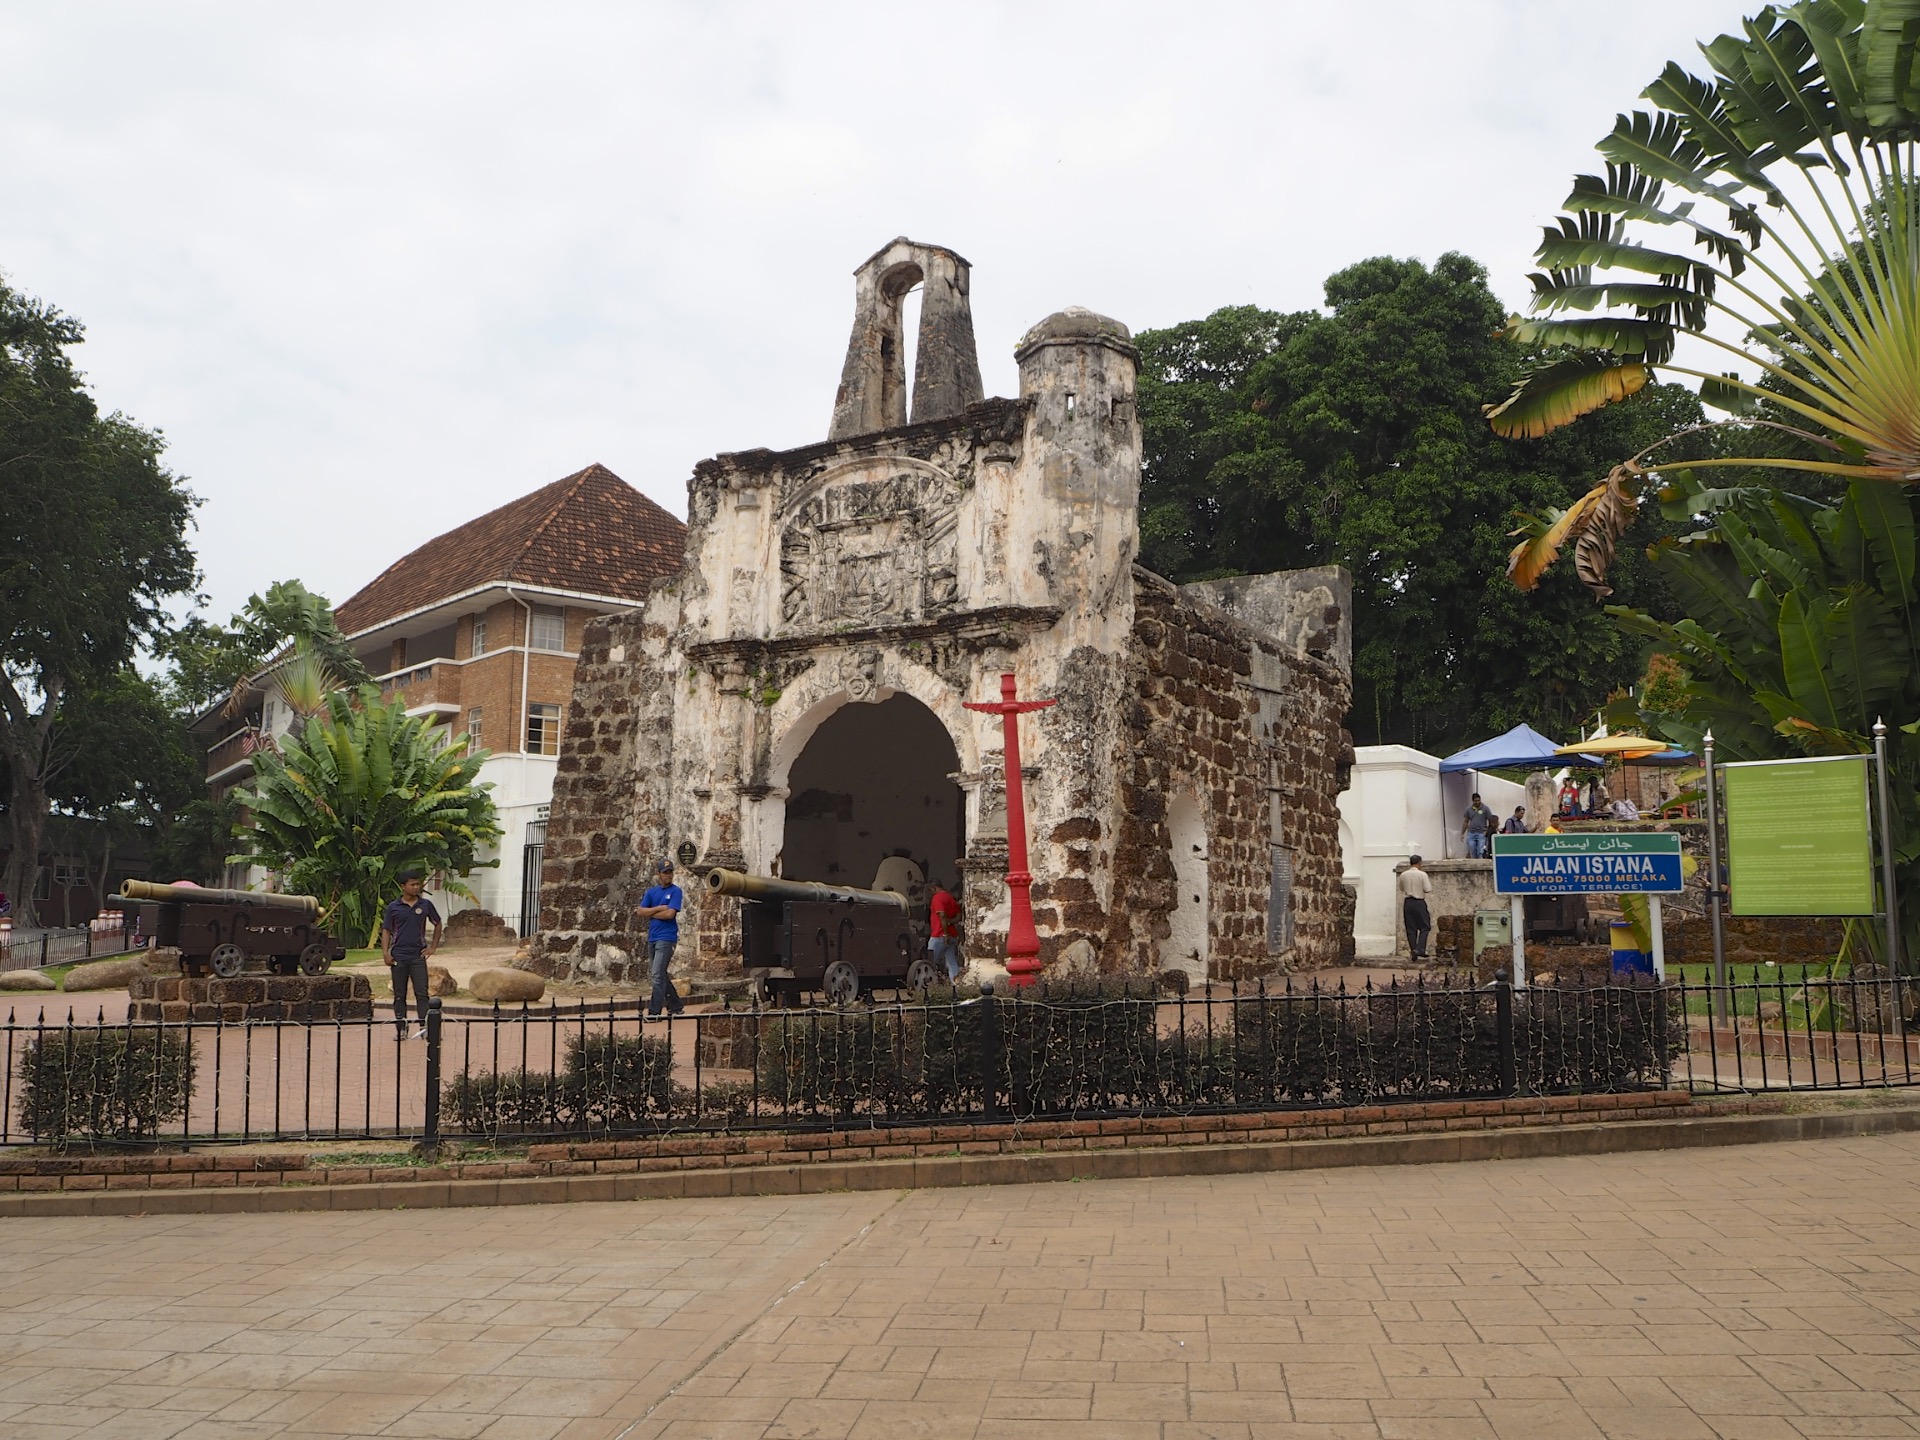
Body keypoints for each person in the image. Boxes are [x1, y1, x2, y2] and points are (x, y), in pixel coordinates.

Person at [381, 870, 441, 1040]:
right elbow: (386, 930)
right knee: (399, 994)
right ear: (403, 886)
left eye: (418, 884)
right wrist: (385, 953)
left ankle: (425, 1027)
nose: (416, 887)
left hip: (417, 956)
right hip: (398, 956)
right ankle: (401, 1028)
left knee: (422, 993)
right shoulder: (394, 907)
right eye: (412, 884)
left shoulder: (425, 905)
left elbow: (437, 923)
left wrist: (433, 947)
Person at [637, 859, 686, 1018]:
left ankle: (654, 1011)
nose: (668, 875)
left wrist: (651, 913)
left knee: (657, 975)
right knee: (660, 974)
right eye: (665, 873)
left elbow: (670, 914)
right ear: (659, 874)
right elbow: (640, 912)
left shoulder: (676, 891)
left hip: (667, 938)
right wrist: (658, 909)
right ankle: (676, 1005)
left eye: (670, 872)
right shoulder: (652, 892)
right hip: (653, 937)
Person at [927, 876, 963, 982]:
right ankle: (956, 985)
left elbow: (941, 915)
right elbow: (958, 915)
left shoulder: (937, 898)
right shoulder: (950, 897)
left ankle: (929, 987)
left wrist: (945, 933)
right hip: (952, 935)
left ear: (934, 888)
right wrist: (950, 922)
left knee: (930, 962)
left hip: (940, 934)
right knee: (952, 962)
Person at [1399, 855, 1433, 960]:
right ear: (1419, 863)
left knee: (1411, 929)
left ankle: (1413, 951)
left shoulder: (1403, 875)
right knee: (1425, 926)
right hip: (1419, 902)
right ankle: (1420, 948)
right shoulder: (1422, 874)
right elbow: (1428, 889)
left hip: (1408, 902)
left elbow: (1401, 888)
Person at [1461, 793, 1496, 859]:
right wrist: (1462, 833)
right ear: (1473, 801)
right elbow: (1466, 821)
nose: (1477, 802)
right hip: (1471, 833)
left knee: (1480, 851)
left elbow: (1490, 820)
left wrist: (1487, 831)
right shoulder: (1468, 809)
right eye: (1475, 801)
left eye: (1478, 800)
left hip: (1481, 833)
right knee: (1472, 851)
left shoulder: (1485, 808)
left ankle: (1481, 866)